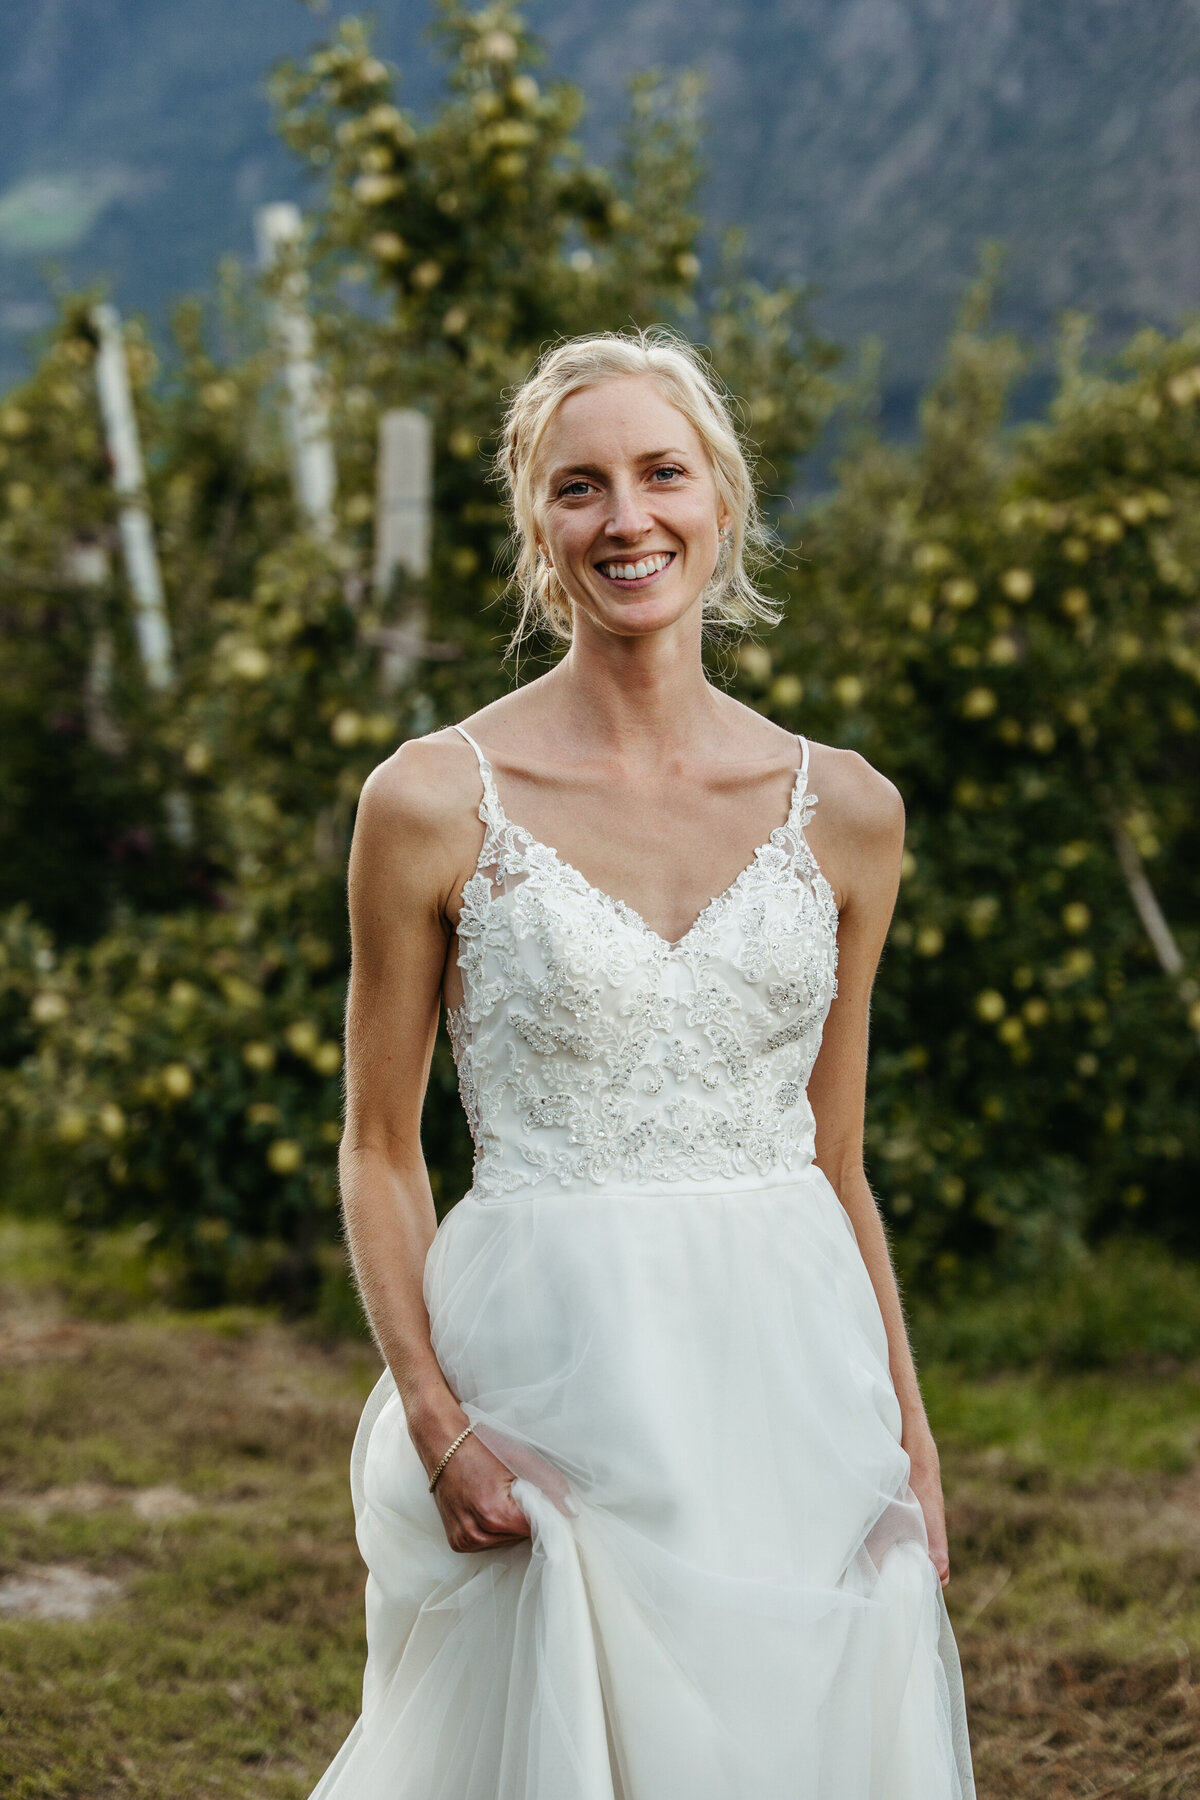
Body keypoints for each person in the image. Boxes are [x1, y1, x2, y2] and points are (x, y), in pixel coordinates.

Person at [309, 328, 976, 1799]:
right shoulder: (430, 799)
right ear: (538, 528)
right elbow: (377, 1144)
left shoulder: (849, 811)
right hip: (549, 1377)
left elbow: (838, 1160)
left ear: (720, 501)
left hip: (796, 1380)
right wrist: (440, 1425)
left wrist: (910, 1441)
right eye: (580, 487)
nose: (628, 519)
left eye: (662, 473)